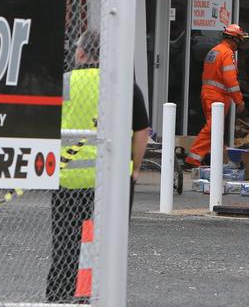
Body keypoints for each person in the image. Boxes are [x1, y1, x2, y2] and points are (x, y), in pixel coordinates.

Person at [46, 30, 151, 302]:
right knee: (108, 248)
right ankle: (101, 296)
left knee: (66, 245)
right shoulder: (123, 87)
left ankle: (60, 296)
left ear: (80, 53)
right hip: (113, 181)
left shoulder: (64, 84)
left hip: (69, 179)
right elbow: (142, 131)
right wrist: (135, 167)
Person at [185, 23, 249, 167]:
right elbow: (230, 80)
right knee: (213, 127)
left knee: (215, 128)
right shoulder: (227, 53)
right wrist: (239, 101)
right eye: (240, 40)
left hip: (209, 94)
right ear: (235, 39)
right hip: (217, 97)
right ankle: (193, 159)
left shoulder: (214, 51)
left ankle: (212, 157)